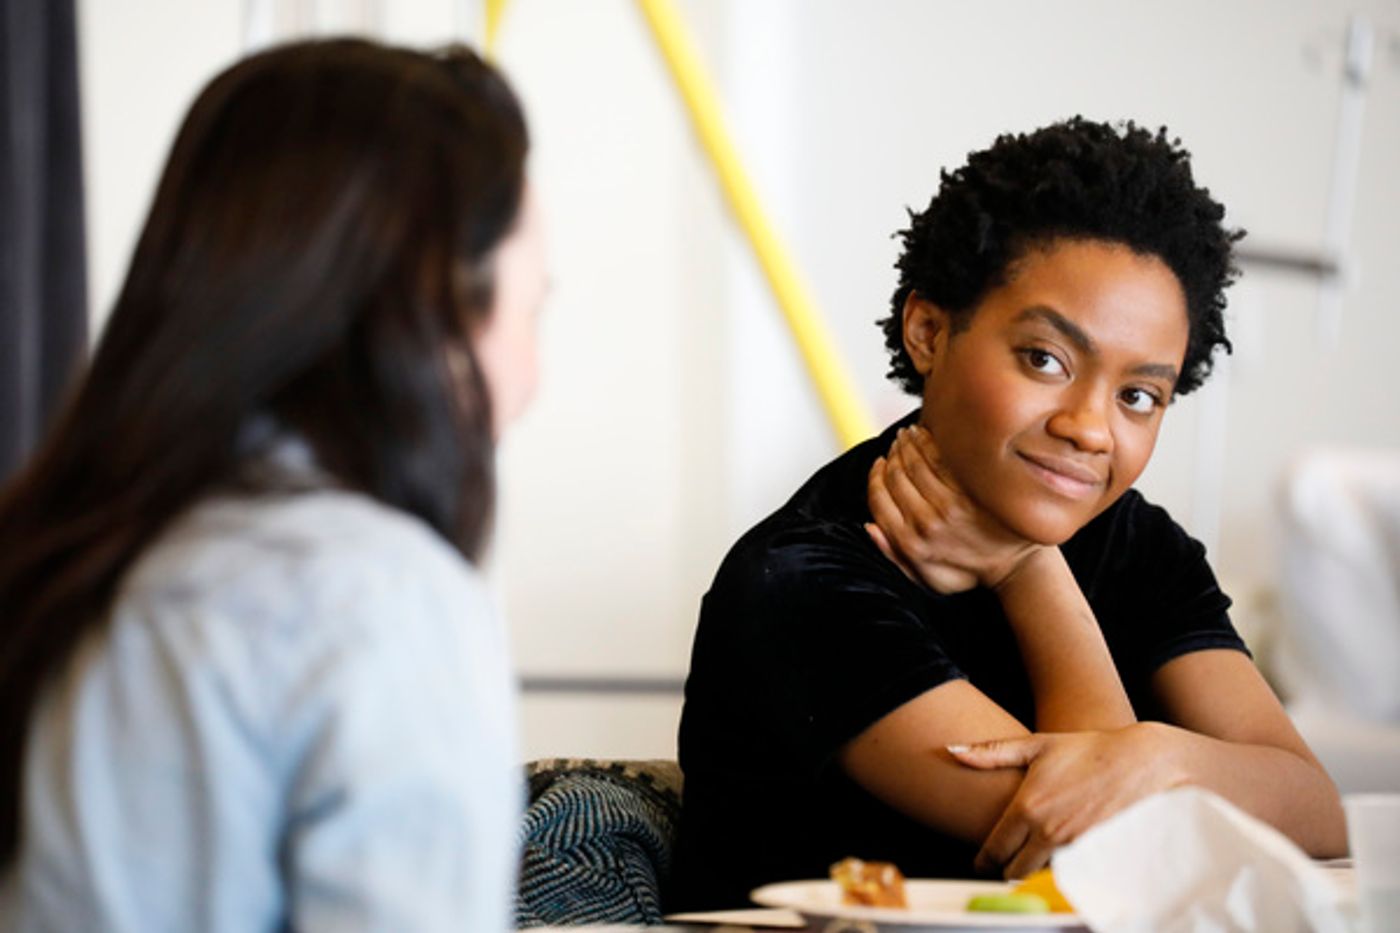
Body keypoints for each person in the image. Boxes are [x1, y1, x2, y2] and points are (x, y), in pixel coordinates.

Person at [672, 117, 1346, 910]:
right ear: (929, 331)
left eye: (1138, 396)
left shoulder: (1138, 545)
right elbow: (1114, 861)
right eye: (1045, 359)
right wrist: (1029, 571)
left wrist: (1165, 758)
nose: (1090, 428)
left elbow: (1317, 807)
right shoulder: (800, 581)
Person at [0, 38, 547, 931]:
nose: (531, 377)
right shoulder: (381, 602)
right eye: (530, 310)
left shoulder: (58, 557)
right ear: (432, 313)